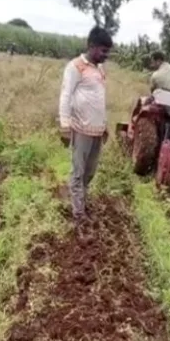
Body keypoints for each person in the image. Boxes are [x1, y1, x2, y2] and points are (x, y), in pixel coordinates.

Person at [58, 26, 112, 221]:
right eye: (103, 51)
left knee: (90, 172)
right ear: (91, 46)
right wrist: (64, 125)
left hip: (96, 130)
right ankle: (78, 213)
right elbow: (65, 96)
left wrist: (104, 124)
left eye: (108, 51)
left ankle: (81, 201)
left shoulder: (99, 69)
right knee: (78, 172)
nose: (106, 55)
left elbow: (99, 98)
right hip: (80, 129)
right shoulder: (75, 67)